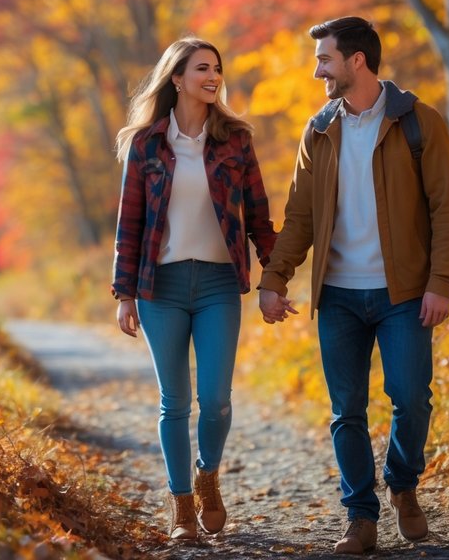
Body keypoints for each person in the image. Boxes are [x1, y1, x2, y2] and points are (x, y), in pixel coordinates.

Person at [256, 16, 449, 555]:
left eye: (324, 59)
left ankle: (402, 483)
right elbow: (299, 215)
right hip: (340, 297)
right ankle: (360, 517)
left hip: (403, 293)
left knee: (411, 398)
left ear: (357, 61)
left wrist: (440, 282)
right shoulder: (319, 130)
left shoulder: (419, 122)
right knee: (346, 409)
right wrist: (274, 278)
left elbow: (448, 210)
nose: (316, 71)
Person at [111, 36, 278, 541]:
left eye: (217, 68)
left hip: (218, 284)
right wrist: (123, 294)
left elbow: (259, 216)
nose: (213, 76)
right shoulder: (145, 145)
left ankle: (207, 475)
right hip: (158, 286)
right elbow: (130, 224)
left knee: (217, 399)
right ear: (176, 77)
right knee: (175, 402)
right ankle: (182, 505)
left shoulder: (236, 140)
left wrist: (275, 274)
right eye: (202, 68)